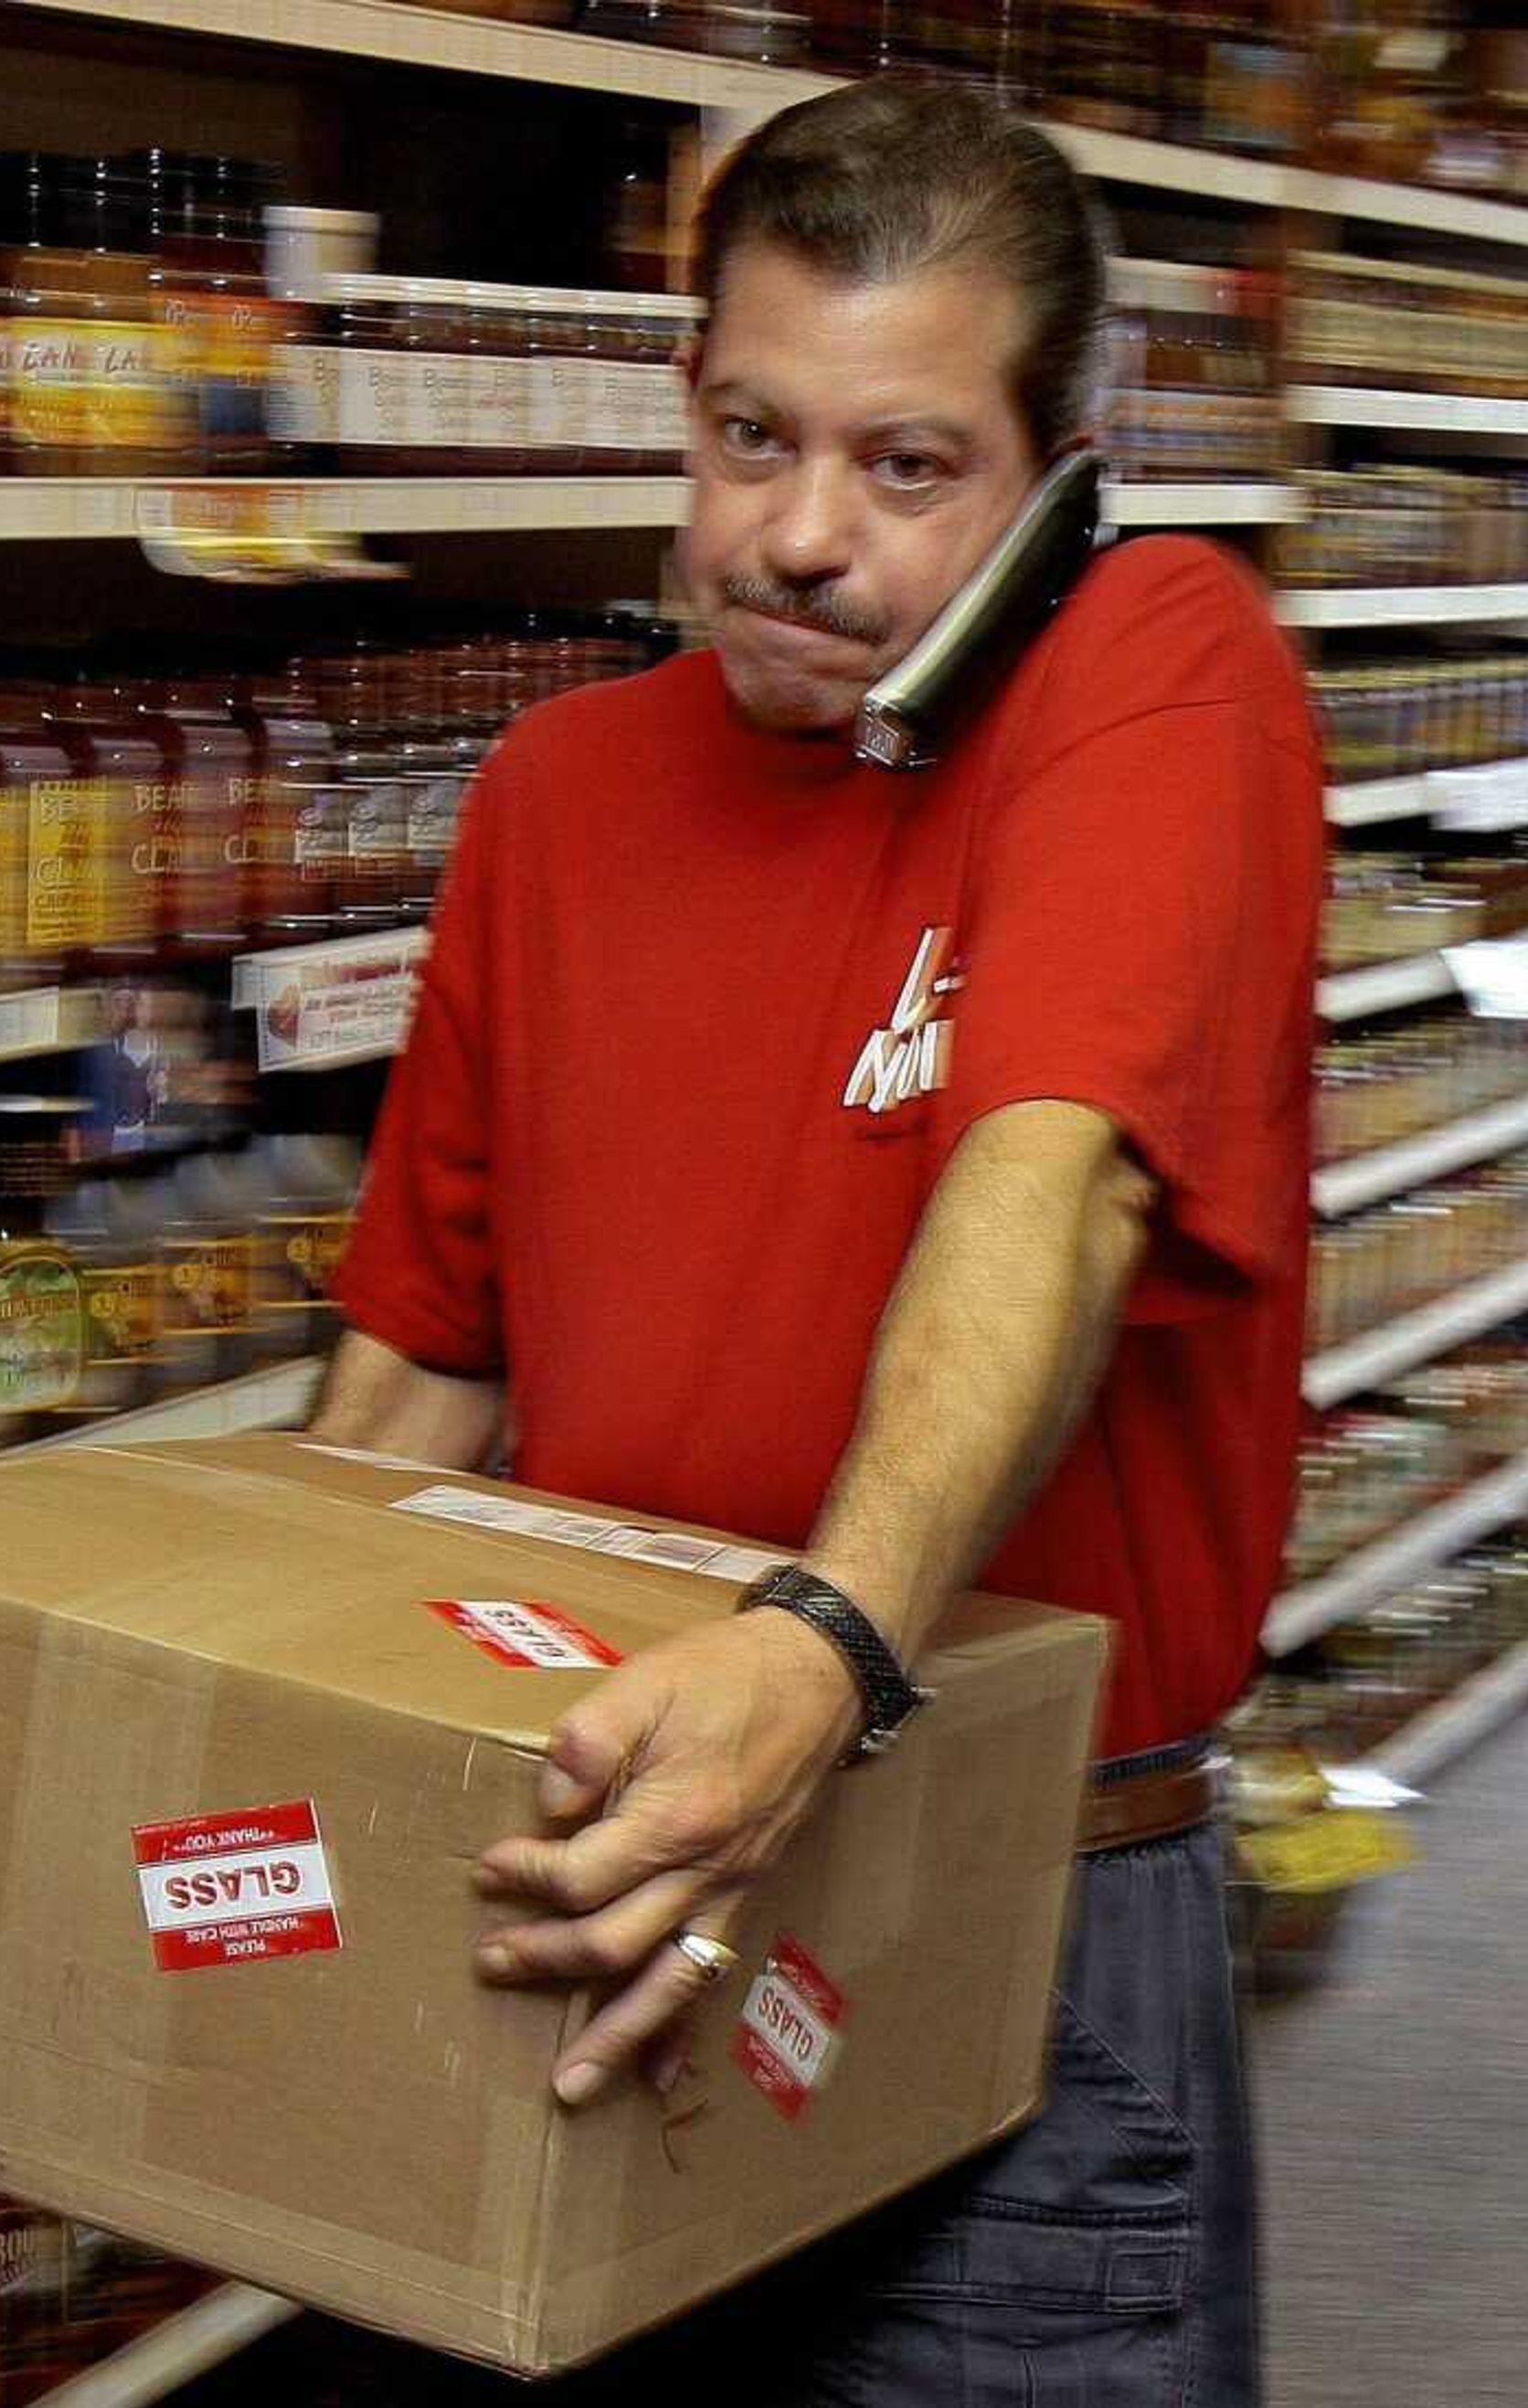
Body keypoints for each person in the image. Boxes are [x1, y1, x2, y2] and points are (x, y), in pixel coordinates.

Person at [299, 73, 1320, 2406]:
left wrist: (821, 1650)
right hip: (601, 1874)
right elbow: (412, 1380)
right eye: (754, 437)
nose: (801, 537)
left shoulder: (1157, 666)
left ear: (1060, 471)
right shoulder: (558, 799)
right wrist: (285, 1785)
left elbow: (1059, 1176)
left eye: (908, 465)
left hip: (1003, 1893)